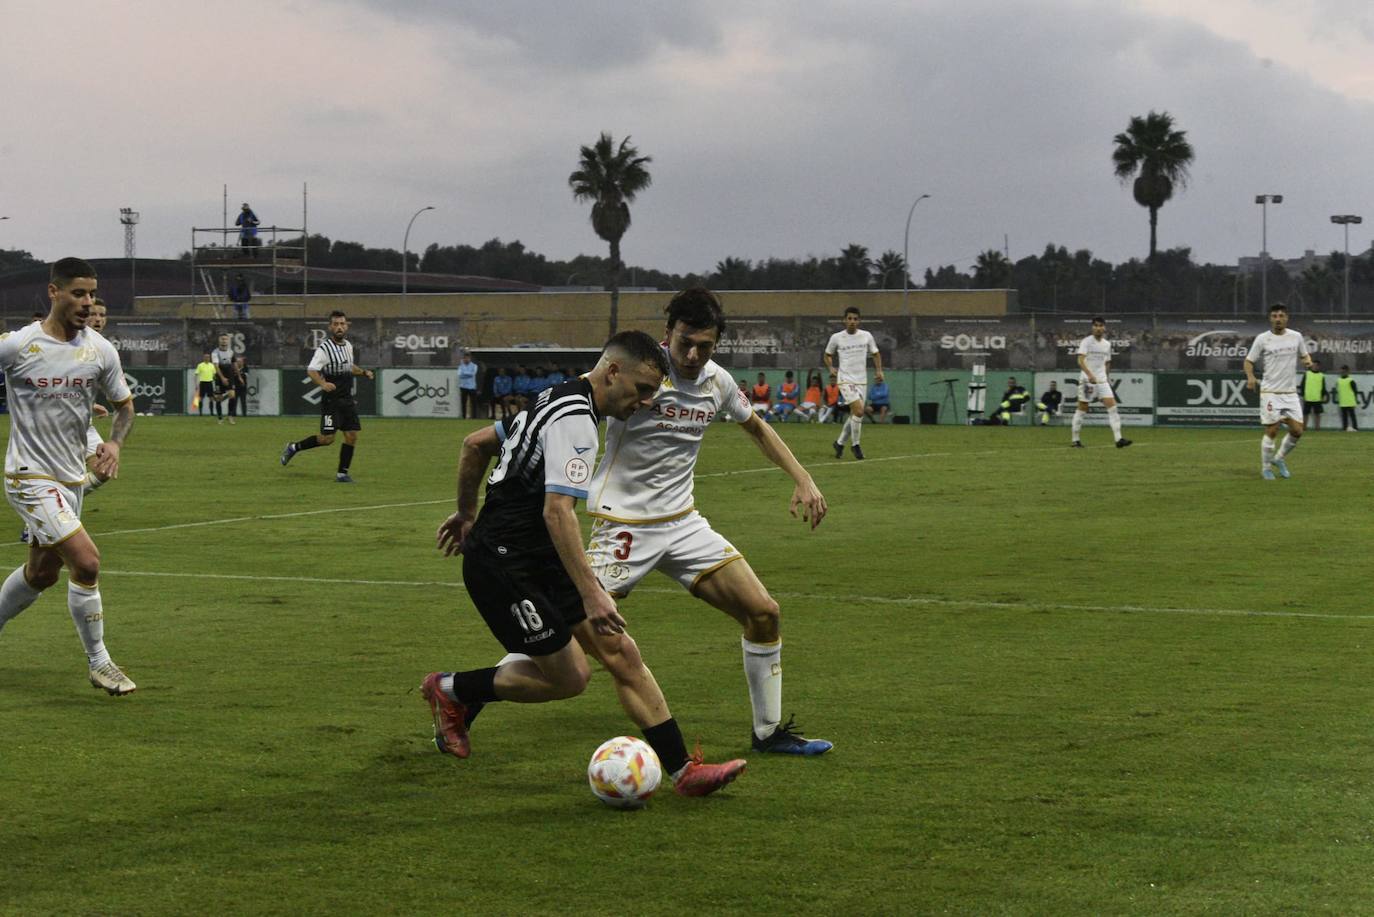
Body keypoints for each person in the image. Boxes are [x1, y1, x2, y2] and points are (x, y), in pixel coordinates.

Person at [425, 329, 747, 796]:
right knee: (570, 677)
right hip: (504, 566)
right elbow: (558, 513)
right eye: (640, 390)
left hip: (537, 556)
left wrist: (467, 512)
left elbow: (475, 444)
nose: (643, 402)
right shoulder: (576, 419)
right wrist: (594, 594)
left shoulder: (554, 397)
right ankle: (450, 689)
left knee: (621, 651)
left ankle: (684, 772)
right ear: (612, 371)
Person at [581, 288, 832, 756]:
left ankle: (768, 733)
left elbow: (755, 425)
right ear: (667, 334)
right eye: (684, 344)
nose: (693, 355)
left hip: (683, 525)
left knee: (764, 612)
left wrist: (802, 477)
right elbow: (577, 403)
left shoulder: (717, 382)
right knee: (570, 639)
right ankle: (464, 692)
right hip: (622, 527)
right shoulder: (634, 371)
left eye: (705, 346)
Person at [0, 257, 137, 695]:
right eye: (78, 293)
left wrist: (113, 444)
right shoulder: (20, 345)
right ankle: (101, 663)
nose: (87, 302)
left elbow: (125, 406)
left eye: (92, 294)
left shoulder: (99, 349)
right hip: (28, 476)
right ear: (54, 293)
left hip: (70, 481)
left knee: (41, 575)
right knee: (87, 561)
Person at [279, 310, 375, 483]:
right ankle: (293, 447)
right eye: (336, 324)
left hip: (347, 399)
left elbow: (349, 366)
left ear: (346, 326)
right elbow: (311, 370)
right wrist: (323, 384)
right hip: (332, 401)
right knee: (327, 439)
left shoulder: (348, 346)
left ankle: (342, 474)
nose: (339, 327)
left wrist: (363, 372)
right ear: (330, 327)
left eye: (342, 324)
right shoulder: (324, 349)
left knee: (352, 436)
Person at [1244, 303, 1313, 479]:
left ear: (1286, 318)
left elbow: (1304, 355)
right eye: (1274, 316)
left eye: (1281, 316)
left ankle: (1279, 458)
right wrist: (1251, 377)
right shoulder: (1262, 339)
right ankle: (1266, 468)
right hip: (1270, 392)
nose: (1278, 319)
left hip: (1290, 393)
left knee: (1298, 431)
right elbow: (1249, 361)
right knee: (1272, 430)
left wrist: (1307, 361)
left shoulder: (1296, 336)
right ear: (1270, 318)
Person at [825, 306, 883, 459]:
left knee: (855, 415)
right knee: (858, 411)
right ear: (844, 320)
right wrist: (831, 367)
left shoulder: (866, 336)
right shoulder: (837, 337)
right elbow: (827, 354)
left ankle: (839, 443)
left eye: (855, 319)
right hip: (845, 380)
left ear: (859, 321)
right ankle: (856, 445)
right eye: (849, 318)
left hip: (861, 381)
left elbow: (875, 354)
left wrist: (879, 371)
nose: (852, 321)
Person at [1070, 316, 1131, 449]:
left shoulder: (1107, 344)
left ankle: (1118, 439)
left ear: (1104, 327)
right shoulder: (1086, 342)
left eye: (1100, 325)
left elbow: (1107, 362)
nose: (1098, 328)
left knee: (1113, 408)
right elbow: (1080, 361)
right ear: (1092, 327)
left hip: (1102, 381)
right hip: (1087, 381)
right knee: (1082, 409)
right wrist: (1090, 375)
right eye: (1096, 325)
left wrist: (1107, 378)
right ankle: (1075, 440)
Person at [210, 333, 236, 425]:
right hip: (219, 376)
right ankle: (220, 418)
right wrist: (222, 378)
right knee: (218, 398)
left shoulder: (231, 351)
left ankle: (230, 416)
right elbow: (216, 367)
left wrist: (238, 375)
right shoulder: (215, 352)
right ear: (219, 340)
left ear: (228, 341)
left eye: (225, 339)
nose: (224, 340)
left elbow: (233, 363)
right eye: (222, 339)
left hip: (230, 375)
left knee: (232, 395)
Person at [1301, 359, 1326, 431]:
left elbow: (1323, 387)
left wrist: (1323, 395)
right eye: (1313, 365)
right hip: (1308, 397)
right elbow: (1302, 385)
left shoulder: (1321, 375)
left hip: (1317, 398)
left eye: (1316, 365)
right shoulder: (1307, 374)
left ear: (1319, 366)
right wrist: (1303, 395)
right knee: (1306, 414)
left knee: (1317, 414)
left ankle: (1317, 428)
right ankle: (1304, 427)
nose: (1314, 367)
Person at [1335, 365, 1360, 432]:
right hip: (1343, 401)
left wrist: (1354, 399)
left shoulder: (1351, 380)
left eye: (1344, 371)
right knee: (1344, 416)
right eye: (1342, 371)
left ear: (1347, 372)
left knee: (1352, 416)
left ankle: (1355, 427)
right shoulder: (1338, 380)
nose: (1343, 372)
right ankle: (1345, 428)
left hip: (1350, 401)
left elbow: (1355, 391)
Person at [456, 350, 479, 419]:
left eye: (468, 358)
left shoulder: (474, 366)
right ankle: (464, 417)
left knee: (473, 403)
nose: (466, 359)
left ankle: (474, 417)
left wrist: (465, 373)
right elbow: (459, 375)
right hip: (463, 386)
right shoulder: (461, 366)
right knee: (464, 403)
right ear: (463, 358)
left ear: (470, 358)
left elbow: (473, 374)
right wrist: (468, 373)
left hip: (472, 387)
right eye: (465, 358)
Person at [229, 355, 249, 419]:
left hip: (243, 388)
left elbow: (245, 376)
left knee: (243, 401)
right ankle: (233, 414)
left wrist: (238, 374)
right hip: (235, 387)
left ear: (243, 362)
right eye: (237, 362)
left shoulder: (245, 368)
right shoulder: (233, 368)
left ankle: (244, 414)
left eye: (240, 361)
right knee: (234, 401)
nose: (239, 363)